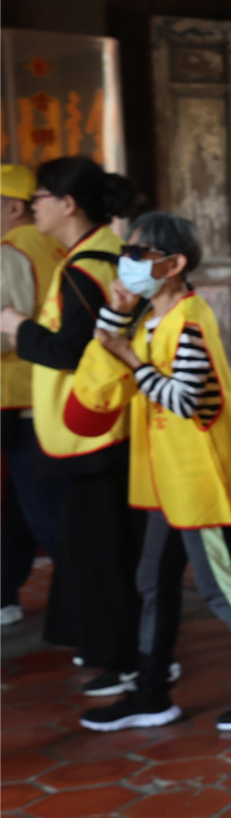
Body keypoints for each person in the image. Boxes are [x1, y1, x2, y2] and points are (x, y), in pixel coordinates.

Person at [61, 211, 231, 731]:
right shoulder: (152, 318)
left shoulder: (189, 320)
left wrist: (132, 360)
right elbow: (104, 375)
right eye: (125, 252)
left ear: (173, 265)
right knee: (153, 580)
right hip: (167, 480)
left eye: (137, 254)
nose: (126, 263)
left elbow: (186, 400)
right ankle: (151, 693)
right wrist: (117, 319)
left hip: (198, 480)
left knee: (221, 586)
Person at [0, 157, 145, 690]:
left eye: (40, 198)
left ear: (67, 204)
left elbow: (70, 351)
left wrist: (18, 327)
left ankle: (129, 659)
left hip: (95, 425)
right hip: (97, 420)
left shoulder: (85, 266)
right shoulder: (100, 255)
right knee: (91, 538)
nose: (34, 207)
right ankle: (116, 649)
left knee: (98, 544)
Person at [1, 163, 68, 628]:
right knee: (23, 499)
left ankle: (97, 607)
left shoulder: (11, 250)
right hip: (48, 392)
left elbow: (8, 329)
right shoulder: (58, 245)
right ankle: (4, 590)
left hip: (15, 394)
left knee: (43, 505)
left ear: (13, 208)